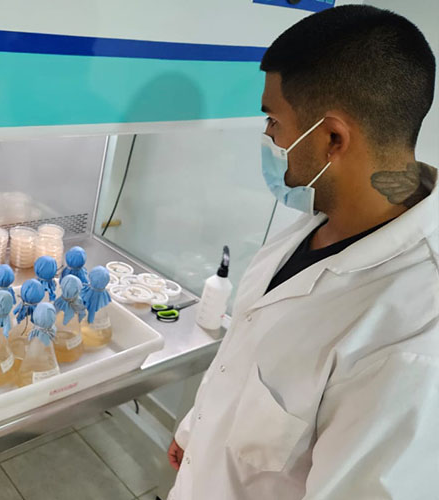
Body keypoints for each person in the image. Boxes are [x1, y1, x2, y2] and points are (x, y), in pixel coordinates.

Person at [167, 5, 438, 499]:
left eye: (274, 120)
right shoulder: (317, 222)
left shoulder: (411, 339)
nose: (269, 136)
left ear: (333, 138)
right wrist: (195, 432)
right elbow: (245, 357)